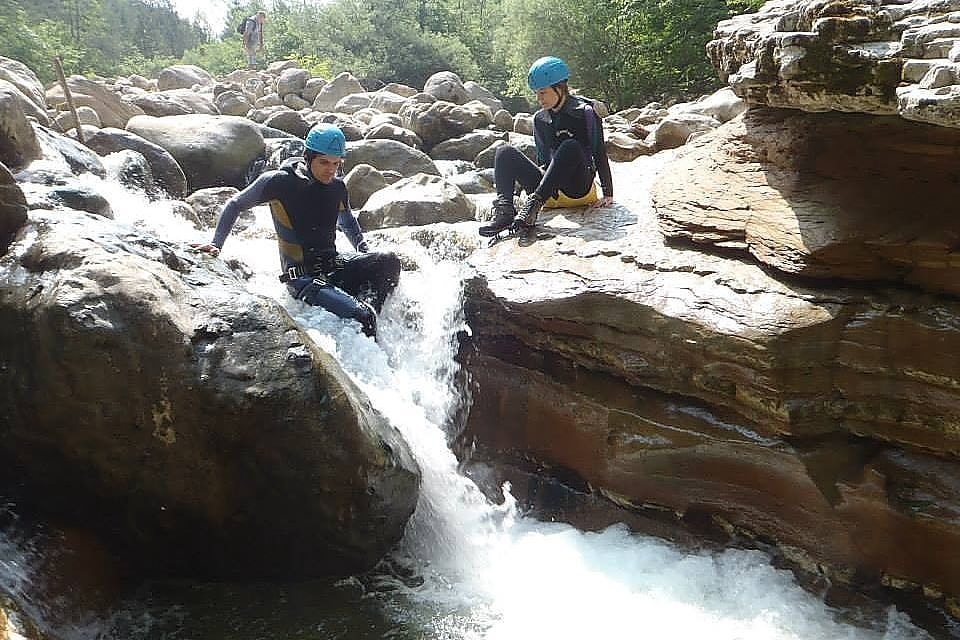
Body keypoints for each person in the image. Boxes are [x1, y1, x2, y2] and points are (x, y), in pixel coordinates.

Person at [192, 123, 401, 338]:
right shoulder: (280, 183)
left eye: (336, 164)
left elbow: (347, 221)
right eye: (324, 163)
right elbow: (236, 204)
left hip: (334, 265)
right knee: (363, 316)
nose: (331, 169)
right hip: (302, 277)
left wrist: (363, 250)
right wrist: (216, 244)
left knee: (389, 261)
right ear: (307, 157)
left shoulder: (337, 187)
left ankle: (369, 309)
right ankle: (367, 325)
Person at [478, 56, 614, 237]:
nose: (539, 99)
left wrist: (608, 193)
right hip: (549, 194)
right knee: (504, 152)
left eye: (543, 92)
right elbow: (543, 161)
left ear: (559, 88)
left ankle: (532, 205)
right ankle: (505, 213)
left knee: (570, 146)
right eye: (536, 93)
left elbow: (599, 153)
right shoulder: (540, 119)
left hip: (578, 190)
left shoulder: (585, 113)